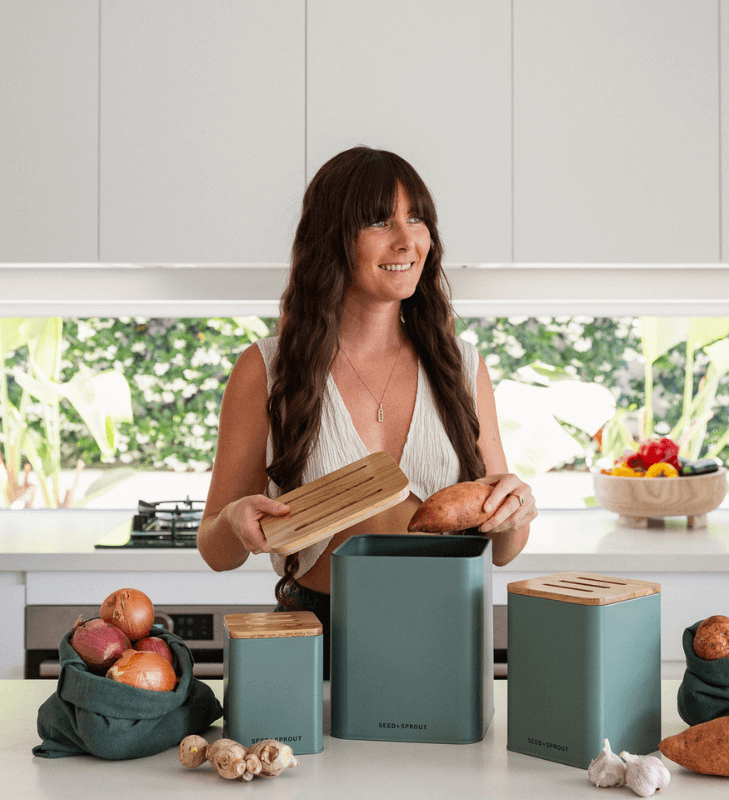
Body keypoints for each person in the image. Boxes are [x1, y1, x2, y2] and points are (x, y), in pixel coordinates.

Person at [197, 146, 537, 672]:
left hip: (444, 630)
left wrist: (515, 511)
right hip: (318, 633)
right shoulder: (267, 369)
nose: (408, 240)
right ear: (332, 238)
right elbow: (216, 550)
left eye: (417, 218)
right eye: (380, 220)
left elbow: (504, 548)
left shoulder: (461, 368)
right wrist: (236, 523)